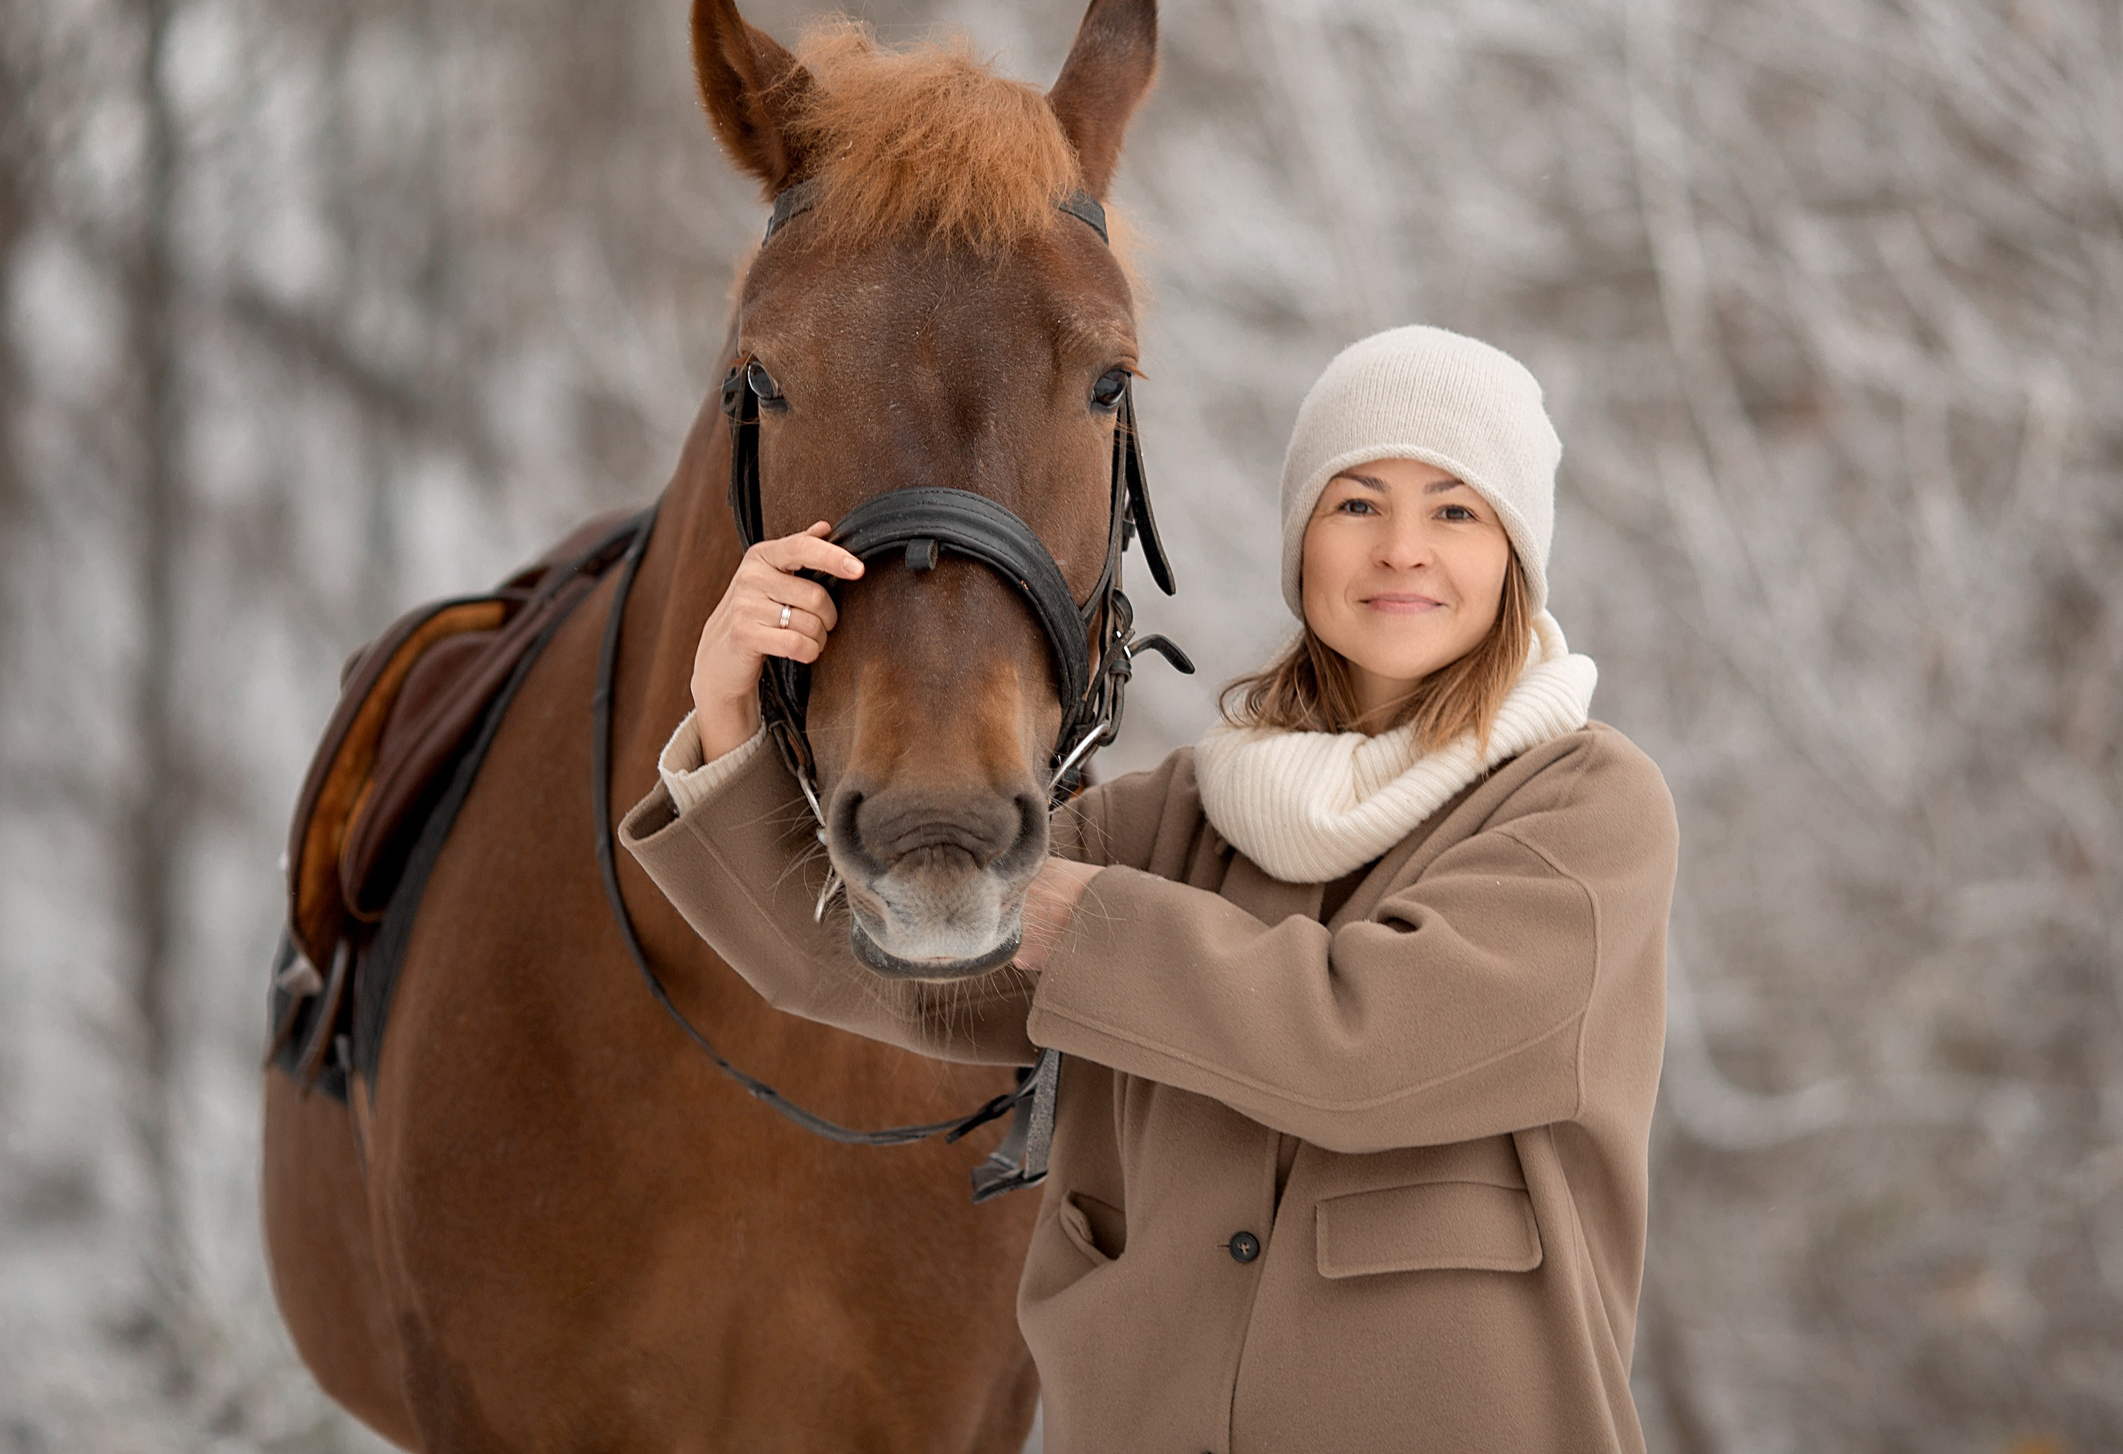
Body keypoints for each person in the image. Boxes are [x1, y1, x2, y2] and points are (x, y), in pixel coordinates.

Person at [621, 325, 1678, 1453]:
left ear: (1516, 552)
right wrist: (732, 708)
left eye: (1456, 511)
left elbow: (1364, 1048)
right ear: (1302, 542)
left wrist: (1071, 919)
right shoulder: (1176, 816)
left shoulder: (1583, 806)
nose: (1402, 550)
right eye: (1357, 504)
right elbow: (863, 958)